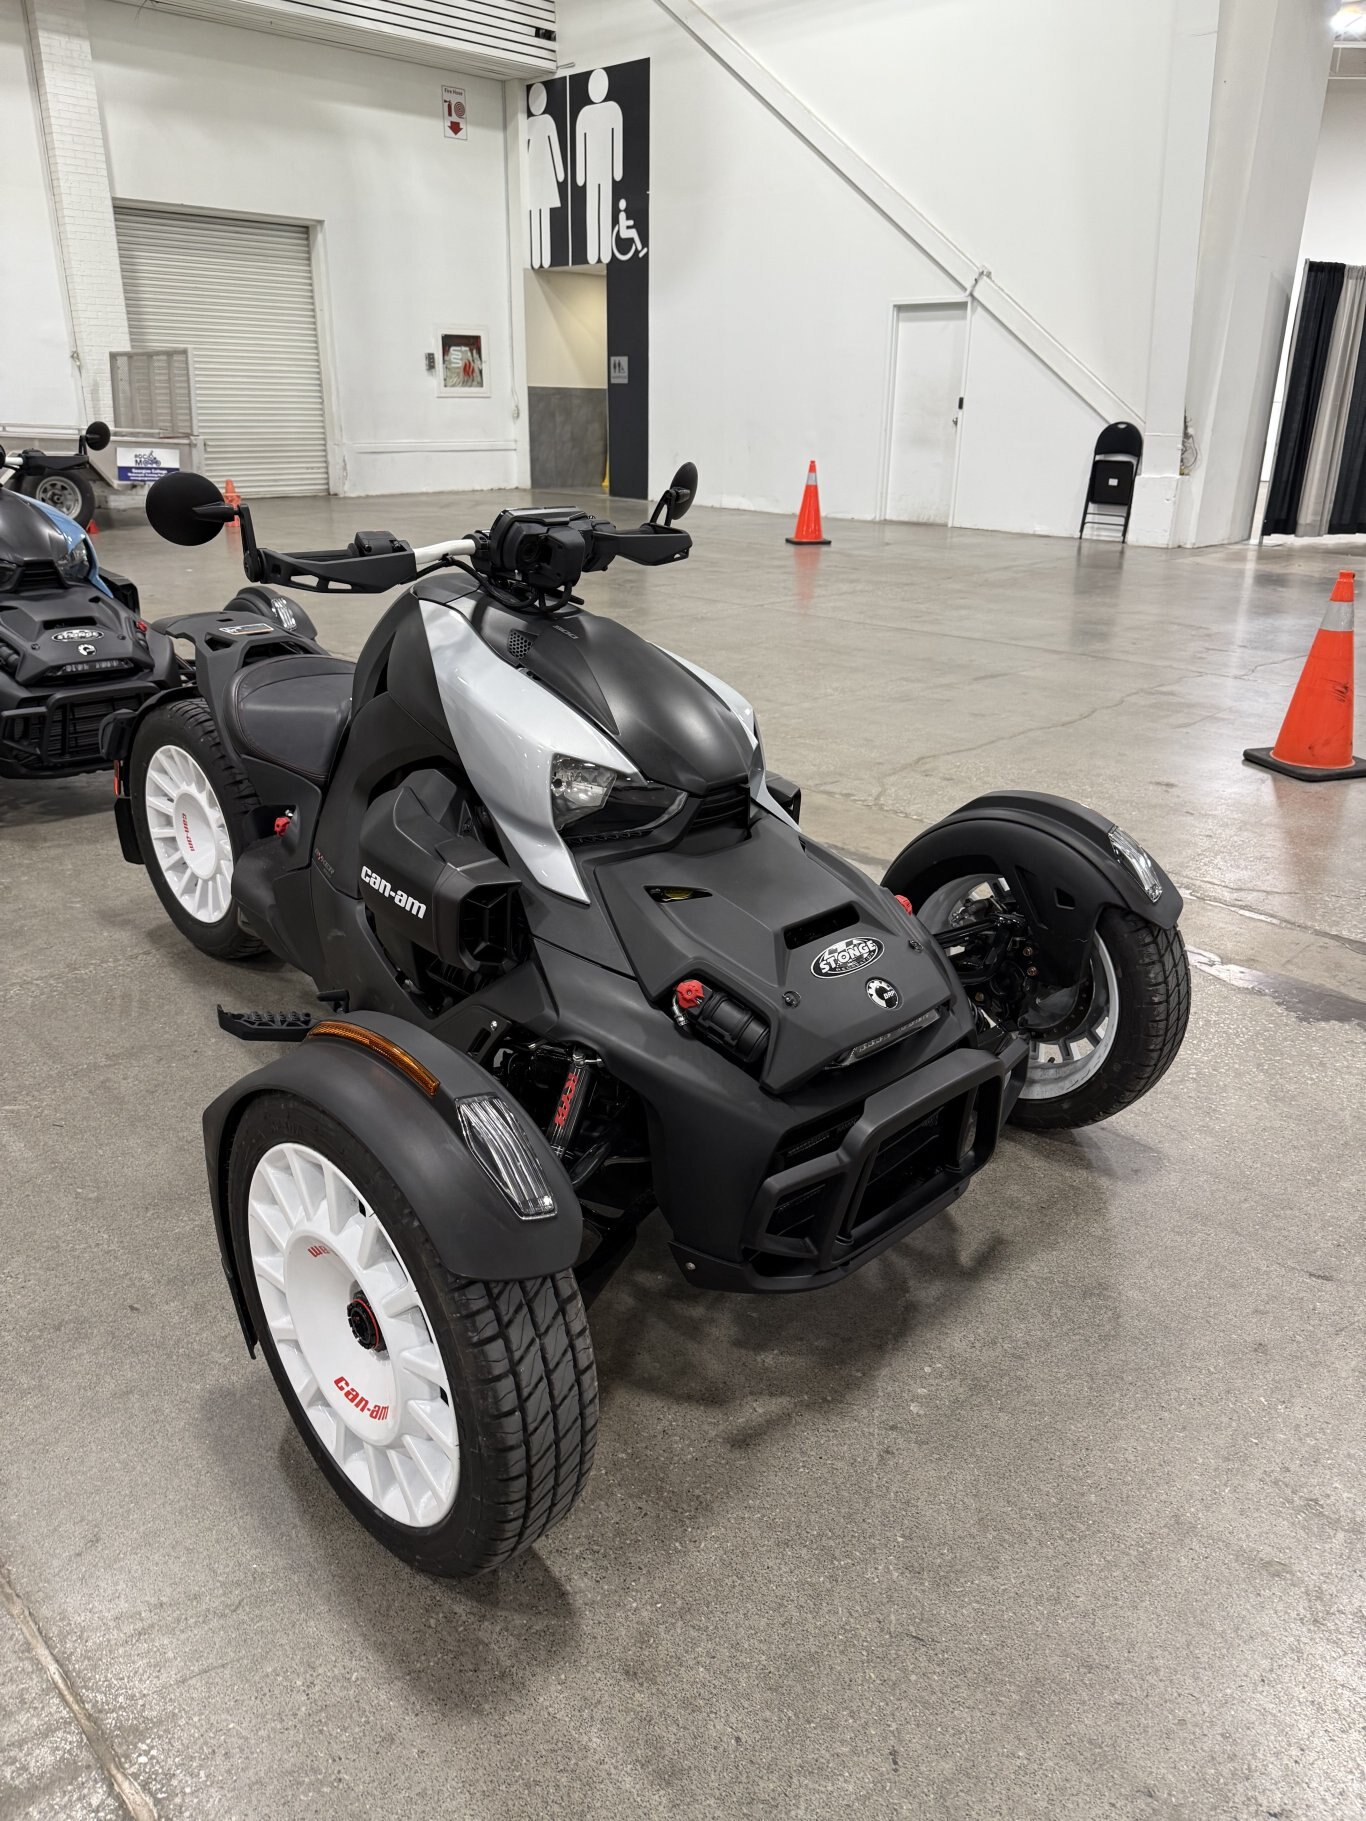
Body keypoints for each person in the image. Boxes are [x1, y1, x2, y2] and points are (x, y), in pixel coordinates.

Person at [575, 68, 623, 264]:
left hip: (601, 171)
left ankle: (602, 251)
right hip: (596, 171)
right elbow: (580, 144)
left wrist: (617, 169)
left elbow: (617, 140)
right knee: (594, 209)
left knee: (602, 209)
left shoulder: (611, 110)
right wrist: (580, 174)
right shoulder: (587, 114)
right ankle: (595, 251)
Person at [526, 82, 564, 269]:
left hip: (540, 175)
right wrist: (560, 173)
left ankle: (543, 257)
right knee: (539, 215)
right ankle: (541, 257)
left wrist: (560, 172)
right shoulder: (535, 122)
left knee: (542, 215)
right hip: (538, 175)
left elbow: (554, 146)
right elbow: (554, 146)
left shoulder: (543, 121)